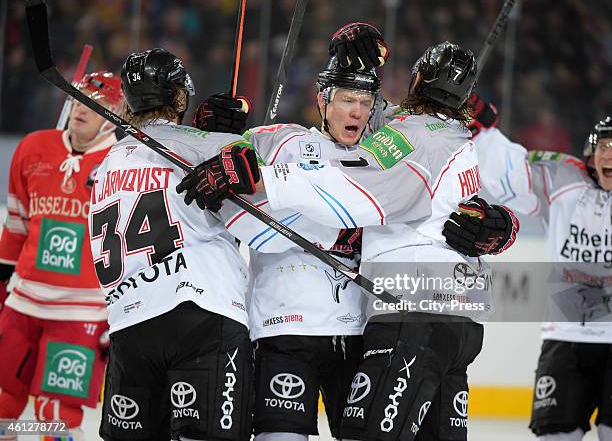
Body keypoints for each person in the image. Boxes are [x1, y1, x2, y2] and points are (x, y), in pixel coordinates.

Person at [178, 41, 519, 441]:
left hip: (398, 315)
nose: (357, 111)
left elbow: (353, 190)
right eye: (345, 99)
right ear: (322, 99)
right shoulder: (444, 135)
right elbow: (225, 160)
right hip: (302, 322)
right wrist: (213, 136)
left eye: (365, 100)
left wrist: (263, 177)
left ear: (414, 82)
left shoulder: (406, 137)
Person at [89, 48, 255, 441]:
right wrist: (232, 139)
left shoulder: (106, 164)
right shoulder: (203, 146)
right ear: (181, 97)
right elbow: (259, 214)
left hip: (130, 324)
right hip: (203, 312)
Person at [469, 94, 612, 440]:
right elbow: (513, 174)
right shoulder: (565, 180)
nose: (610, 155)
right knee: (555, 435)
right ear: (591, 154)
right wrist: (483, 131)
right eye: (606, 146)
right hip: (564, 339)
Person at [0, 71, 122, 440]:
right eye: (78, 96)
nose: (82, 106)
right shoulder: (34, 148)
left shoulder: (123, 163)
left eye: (96, 103)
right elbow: (16, 225)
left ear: (115, 115)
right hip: (23, 303)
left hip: (81, 312)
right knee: (3, 401)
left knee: (57, 415)